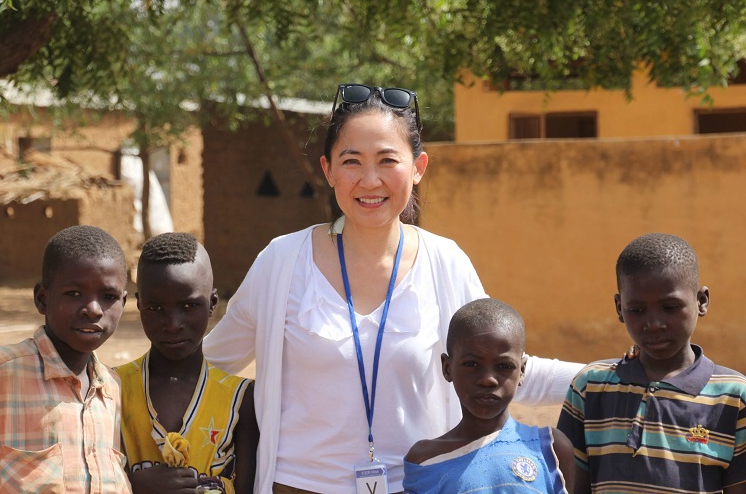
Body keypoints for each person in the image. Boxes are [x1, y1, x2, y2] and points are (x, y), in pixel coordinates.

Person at [202, 83, 585, 493]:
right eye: (351, 161)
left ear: (418, 167)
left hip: (420, 485)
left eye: (388, 160)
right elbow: (209, 365)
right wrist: (123, 392)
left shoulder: (445, 262)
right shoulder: (283, 261)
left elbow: (499, 365)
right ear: (328, 169)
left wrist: (617, 376)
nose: (370, 180)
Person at [0, 225, 131, 492]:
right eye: (74, 294)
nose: (93, 309)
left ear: (123, 303)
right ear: (42, 299)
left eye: (109, 297)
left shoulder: (112, 390)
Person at [557, 233, 746, 494]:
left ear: (701, 301)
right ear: (619, 308)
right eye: (637, 310)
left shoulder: (733, 396)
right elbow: (572, 485)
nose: (654, 324)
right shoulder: (589, 387)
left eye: (670, 307)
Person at [116, 232, 258, 493]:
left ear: (213, 303)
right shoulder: (110, 388)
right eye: (156, 308)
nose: (173, 324)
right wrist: (131, 486)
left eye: (189, 306)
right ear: (139, 305)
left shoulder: (241, 399)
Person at [403, 298, 574, 493]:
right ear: (447, 367)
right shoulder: (426, 461)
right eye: (472, 364)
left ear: (522, 371)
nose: (488, 379)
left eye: (504, 366)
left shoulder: (550, 447)